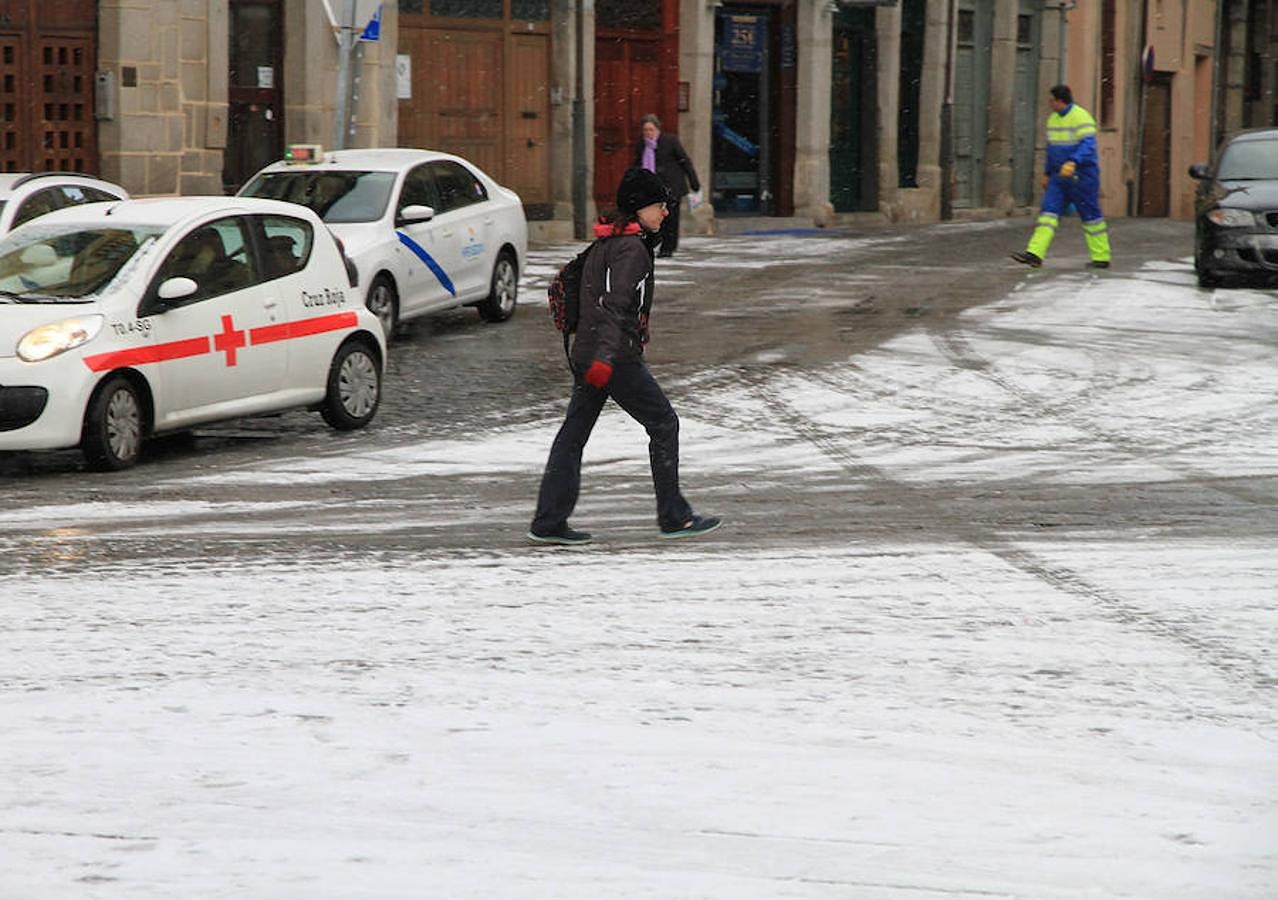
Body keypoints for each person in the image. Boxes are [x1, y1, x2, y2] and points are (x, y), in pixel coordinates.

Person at [528, 167, 720, 546]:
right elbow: (613, 307)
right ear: (638, 208)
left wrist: (591, 354)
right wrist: (604, 358)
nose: (665, 212)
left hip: (592, 352)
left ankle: (548, 521)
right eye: (658, 206)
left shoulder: (608, 242)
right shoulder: (631, 249)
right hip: (613, 357)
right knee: (664, 423)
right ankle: (674, 516)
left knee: (573, 435)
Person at [1011, 84, 1112, 270]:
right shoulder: (1053, 120)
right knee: (1048, 214)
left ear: (1060, 101)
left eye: (1051, 100)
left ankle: (1101, 256)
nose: (1049, 104)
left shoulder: (1081, 117)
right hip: (1059, 176)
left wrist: (1073, 162)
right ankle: (1034, 253)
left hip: (1082, 176)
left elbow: (1088, 145)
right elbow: (1052, 149)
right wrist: (1047, 173)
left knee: (1091, 217)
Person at [633, 113, 700, 258]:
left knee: (671, 217)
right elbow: (638, 164)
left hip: (672, 185)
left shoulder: (670, 141)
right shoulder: (641, 145)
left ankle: (668, 247)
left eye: (651, 129)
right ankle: (654, 243)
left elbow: (684, 161)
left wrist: (694, 181)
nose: (648, 133)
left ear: (657, 129)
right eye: (645, 130)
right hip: (652, 187)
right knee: (654, 217)